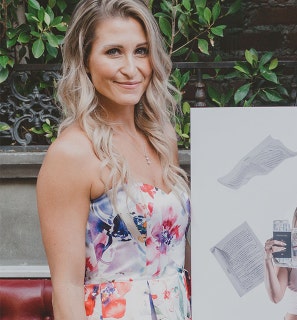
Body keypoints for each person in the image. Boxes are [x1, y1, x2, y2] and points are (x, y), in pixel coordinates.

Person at [36, 0, 191, 318]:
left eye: (141, 51)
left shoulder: (162, 138)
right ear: (85, 61)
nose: (132, 69)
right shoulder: (72, 153)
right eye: (113, 52)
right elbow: (65, 288)